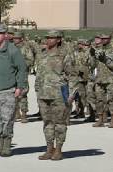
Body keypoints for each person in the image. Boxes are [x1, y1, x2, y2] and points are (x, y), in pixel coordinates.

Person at [0, 24, 27, 157]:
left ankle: (7, 146)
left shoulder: (13, 50)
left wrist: (19, 87)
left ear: (6, 35)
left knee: (7, 119)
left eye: (0, 33)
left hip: (7, 90)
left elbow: (22, 69)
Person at [36, 30, 77, 161]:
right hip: (43, 93)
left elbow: (73, 75)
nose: (48, 40)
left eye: (52, 38)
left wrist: (71, 94)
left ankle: (58, 149)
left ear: (59, 40)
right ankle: (49, 149)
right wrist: (37, 88)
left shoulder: (64, 55)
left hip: (59, 94)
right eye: (47, 37)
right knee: (47, 123)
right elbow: (39, 73)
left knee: (60, 123)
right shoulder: (42, 54)